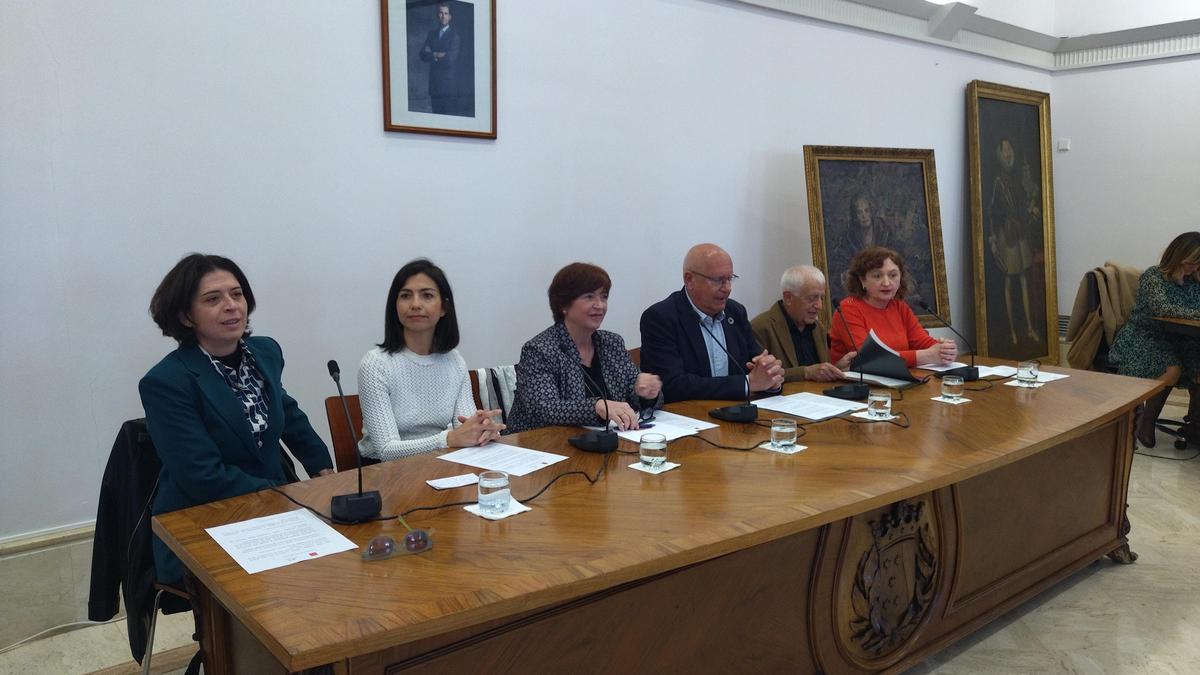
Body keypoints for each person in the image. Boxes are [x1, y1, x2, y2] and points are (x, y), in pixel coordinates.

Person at [140, 254, 333, 584]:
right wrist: (288, 495)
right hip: (205, 518)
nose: (231, 306)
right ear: (187, 316)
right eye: (213, 299)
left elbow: (288, 413)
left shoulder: (265, 352)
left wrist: (324, 472)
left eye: (237, 294)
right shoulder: (167, 381)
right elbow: (202, 476)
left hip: (275, 507)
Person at [358, 259, 502, 460]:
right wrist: (448, 440)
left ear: (444, 307)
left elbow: (464, 428)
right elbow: (386, 450)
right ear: (395, 306)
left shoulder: (454, 361)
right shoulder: (375, 364)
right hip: (385, 472)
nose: (415, 304)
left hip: (441, 461)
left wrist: (481, 431)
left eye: (427, 295)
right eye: (406, 296)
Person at [507, 263, 663, 434]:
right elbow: (544, 408)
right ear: (563, 305)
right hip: (542, 445)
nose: (600, 305)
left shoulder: (612, 343)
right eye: (589, 297)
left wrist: (646, 392)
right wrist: (597, 407)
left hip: (604, 441)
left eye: (603, 297)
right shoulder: (539, 350)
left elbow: (634, 398)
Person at [640, 243, 784, 403]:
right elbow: (671, 385)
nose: (727, 288)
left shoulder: (735, 312)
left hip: (735, 414)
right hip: (688, 417)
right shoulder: (660, 318)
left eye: (730, 279)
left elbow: (756, 362)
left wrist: (770, 376)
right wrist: (747, 383)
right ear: (689, 280)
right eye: (718, 280)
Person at [1108, 232, 1200, 447]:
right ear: (1178, 256)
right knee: (1173, 369)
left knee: (1198, 367)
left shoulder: (1192, 281)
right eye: (1191, 264)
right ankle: (1143, 419)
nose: (1193, 269)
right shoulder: (1154, 276)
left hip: (1181, 338)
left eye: (1197, 265)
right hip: (1145, 336)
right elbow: (1163, 309)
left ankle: (1195, 427)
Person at [829, 246, 957, 367]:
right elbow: (869, 358)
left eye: (893, 275)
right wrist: (927, 355)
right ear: (862, 280)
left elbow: (921, 342)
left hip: (899, 380)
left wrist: (944, 349)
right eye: (877, 276)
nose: (886, 282)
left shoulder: (900, 307)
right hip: (856, 384)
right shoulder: (847, 309)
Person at [751, 265, 856, 382]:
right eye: (812, 298)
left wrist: (836, 369)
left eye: (821, 298)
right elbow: (756, 378)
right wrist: (805, 372)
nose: (819, 306)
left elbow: (818, 372)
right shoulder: (761, 327)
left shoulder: (818, 328)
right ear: (788, 298)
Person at [988, 138, 1041, 346]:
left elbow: (1021, 204)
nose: (1008, 154)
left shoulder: (1016, 177)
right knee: (1010, 280)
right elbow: (993, 211)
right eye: (1005, 150)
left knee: (1023, 279)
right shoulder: (998, 181)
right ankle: (1012, 331)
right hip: (1007, 235)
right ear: (999, 154)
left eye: (1010, 149)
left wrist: (1029, 209)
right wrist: (993, 238)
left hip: (1018, 233)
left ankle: (1029, 327)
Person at [419, 3, 460, 115]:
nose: (443, 16)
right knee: (436, 120)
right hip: (434, 86)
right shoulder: (431, 34)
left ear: (450, 17)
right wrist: (437, 54)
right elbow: (422, 54)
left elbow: (450, 59)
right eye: (441, 13)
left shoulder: (454, 36)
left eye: (446, 13)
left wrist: (432, 54)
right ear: (438, 15)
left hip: (448, 88)